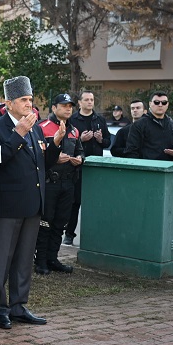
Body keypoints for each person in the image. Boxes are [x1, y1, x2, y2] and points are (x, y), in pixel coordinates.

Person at [0, 76, 62, 331]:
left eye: (30, 99)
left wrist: (56, 144)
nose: (29, 104)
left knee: (24, 260)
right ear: (9, 103)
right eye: (24, 100)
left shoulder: (36, 127)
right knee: (1, 261)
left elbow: (42, 163)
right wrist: (19, 133)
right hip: (6, 205)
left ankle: (18, 306)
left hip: (31, 204)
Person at [35, 94, 83, 275]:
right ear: (54, 108)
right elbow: (37, 156)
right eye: (64, 106)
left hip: (68, 183)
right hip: (50, 183)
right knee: (45, 223)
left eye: (70, 106)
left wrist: (80, 158)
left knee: (60, 223)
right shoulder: (42, 128)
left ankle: (53, 259)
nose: (68, 109)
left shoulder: (74, 131)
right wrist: (55, 157)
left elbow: (80, 151)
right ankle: (40, 261)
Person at [65, 90, 110, 245]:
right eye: (87, 99)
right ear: (80, 102)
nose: (90, 102)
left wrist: (101, 139)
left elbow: (108, 142)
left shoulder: (100, 119)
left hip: (95, 167)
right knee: (75, 202)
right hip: (77, 166)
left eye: (92, 99)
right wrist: (81, 139)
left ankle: (93, 236)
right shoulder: (72, 119)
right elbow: (67, 141)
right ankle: (69, 234)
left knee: (94, 203)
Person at [125, 91, 173, 161]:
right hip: (147, 168)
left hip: (169, 168)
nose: (160, 105)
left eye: (164, 102)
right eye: (156, 102)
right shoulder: (139, 124)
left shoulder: (171, 124)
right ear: (150, 104)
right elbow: (131, 151)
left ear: (167, 104)